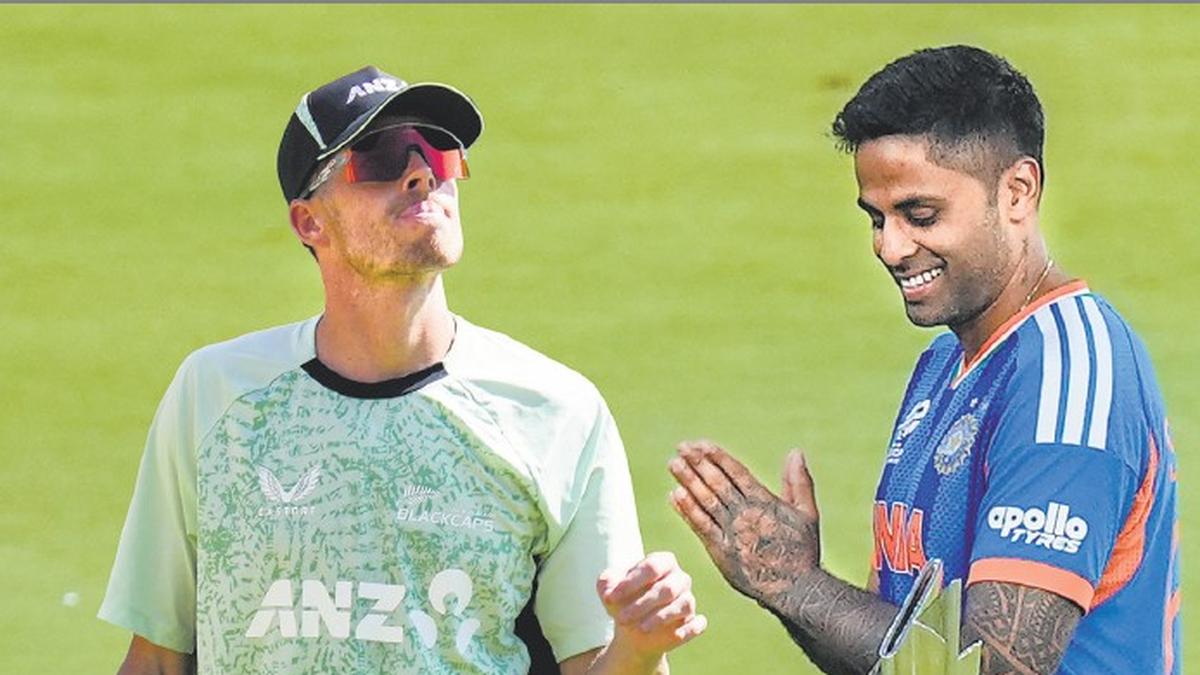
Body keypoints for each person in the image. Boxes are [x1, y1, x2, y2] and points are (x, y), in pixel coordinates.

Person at [99, 65, 705, 675]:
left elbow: (595, 659)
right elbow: (155, 659)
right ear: (310, 222)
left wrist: (638, 648)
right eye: (382, 158)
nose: (422, 174)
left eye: (439, 152)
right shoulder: (216, 396)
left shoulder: (553, 412)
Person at [668, 45, 1180, 674]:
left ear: (1017, 192)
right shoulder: (944, 365)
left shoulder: (1066, 377)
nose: (890, 247)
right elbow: (901, 660)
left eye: (920, 215)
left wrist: (798, 586)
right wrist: (794, 591)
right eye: (876, 218)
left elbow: (997, 666)